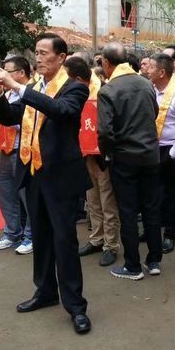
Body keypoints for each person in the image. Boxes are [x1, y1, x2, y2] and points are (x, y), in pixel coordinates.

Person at [0, 33, 92, 335]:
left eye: (45, 53)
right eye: (37, 52)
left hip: (60, 177)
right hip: (33, 173)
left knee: (64, 241)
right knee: (41, 238)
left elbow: (61, 112)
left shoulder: (74, 88)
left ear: (62, 57)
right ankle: (45, 291)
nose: (39, 58)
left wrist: (18, 86)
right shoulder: (38, 89)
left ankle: (76, 306)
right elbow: (12, 118)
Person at [98, 41, 163, 280]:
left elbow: (105, 131)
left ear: (106, 62)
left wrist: (107, 155)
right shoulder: (146, 83)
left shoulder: (108, 90)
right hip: (150, 155)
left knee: (127, 211)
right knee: (151, 208)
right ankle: (154, 260)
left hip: (124, 158)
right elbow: (154, 112)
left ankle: (133, 266)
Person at [71, 53, 121, 268]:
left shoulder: (103, 91)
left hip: (102, 155)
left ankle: (111, 245)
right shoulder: (75, 94)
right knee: (92, 199)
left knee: (107, 200)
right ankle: (96, 239)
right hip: (84, 154)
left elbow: (110, 127)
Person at [148, 52, 175, 254]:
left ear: (162, 72)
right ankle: (153, 229)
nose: (147, 71)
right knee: (153, 193)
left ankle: (170, 234)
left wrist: (172, 154)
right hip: (151, 148)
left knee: (172, 193)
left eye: (151, 68)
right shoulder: (150, 91)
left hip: (171, 150)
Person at [0, 55, 33, 255]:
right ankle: (11, 232)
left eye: (7, 71)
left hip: (25, 150)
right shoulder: (8, 94)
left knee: (27, 196)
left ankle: (30, 236)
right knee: (6, 193)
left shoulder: (31, 92)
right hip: (5, 150)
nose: (2, 75)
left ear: (21, 73)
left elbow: (16, 119)